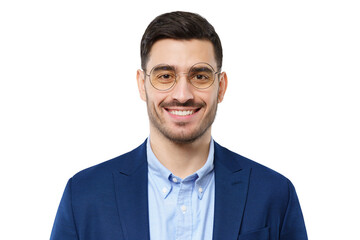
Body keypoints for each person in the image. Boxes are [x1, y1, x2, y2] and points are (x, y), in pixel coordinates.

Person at [50, 11, 307, 240]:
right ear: (142, 84)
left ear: (221, 86)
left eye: (200, 76)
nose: (182, 94)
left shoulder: (275, 194)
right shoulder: (84, 195)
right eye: (165, 76)